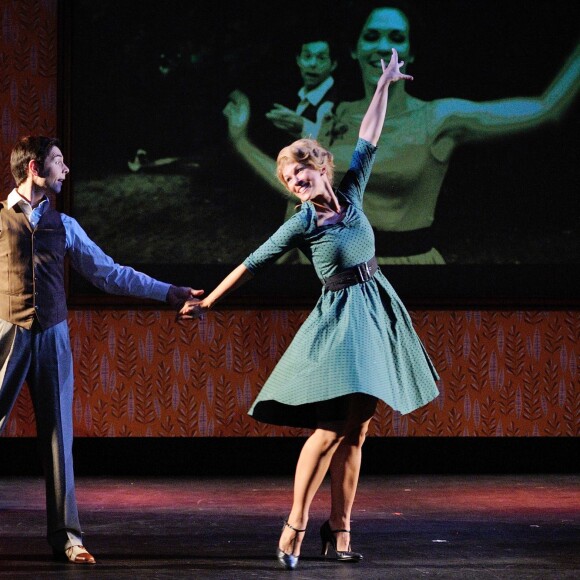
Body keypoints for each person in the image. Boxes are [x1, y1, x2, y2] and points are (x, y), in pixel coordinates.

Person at [179, 49, 439, 570]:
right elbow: (253, 262)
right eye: (289, 181)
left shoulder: (352, 195)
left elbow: (369, 136)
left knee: (360, 428)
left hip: (377, 311)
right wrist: (208, 300)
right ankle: (294, 525)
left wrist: (384, 85)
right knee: (331, 428)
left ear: (321, 168)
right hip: (340, 322)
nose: (296, 185)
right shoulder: (303, 224)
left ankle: (339, 531)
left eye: (301, 174)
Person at [223, 2, 580, 264]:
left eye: (396, 37)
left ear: (411, 52)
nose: (383, 45)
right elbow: (300, 201)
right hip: (334, 276)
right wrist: (240, 138)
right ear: (354, 49)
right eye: (371, 35)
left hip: (411, 276)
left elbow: (546, 109)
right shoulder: (336, 116)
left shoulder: (440, 117)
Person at [0, 136, 203, 565]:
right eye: (58, 161)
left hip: (52, 334)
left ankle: (68, 536)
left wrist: (168, 293)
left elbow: (110, 274)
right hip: (7, 334)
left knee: (59, 437)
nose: (66, 169)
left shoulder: (66, 226)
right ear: (35, 167)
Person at [265, 38, 338, 140]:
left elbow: (338, 147)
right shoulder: (292, 93)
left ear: (333, 64)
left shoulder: (342, 101)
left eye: (321, 58)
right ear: (298, 60)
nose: (312, 64)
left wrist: (302, 125)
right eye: (307, 56)